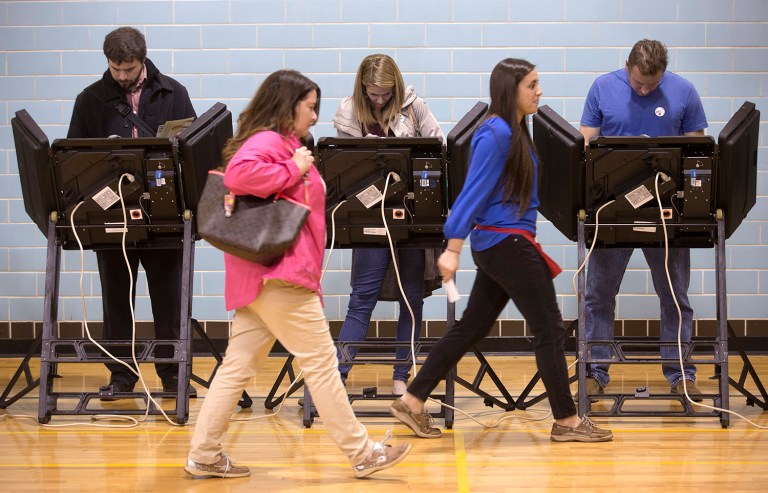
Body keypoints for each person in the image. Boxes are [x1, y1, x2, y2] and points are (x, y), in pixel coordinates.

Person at [185, 69, 411, 479]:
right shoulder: (272, 142)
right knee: (322, 365)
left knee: (236, 367)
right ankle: (363, 453)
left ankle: (204, 454)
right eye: (310, 107)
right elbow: (238, 175)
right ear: (288, 106)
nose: (314, 116)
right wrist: (293, 167)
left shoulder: (284, 143)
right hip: (280, 276)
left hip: (261, 278)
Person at [389, 58, 613, 443]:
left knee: (472, 327)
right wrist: (453, 247)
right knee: (550, 328)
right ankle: (567, 420)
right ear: (511, 90)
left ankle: (411, 399)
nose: (539, 90)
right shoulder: (494, 133)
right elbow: (472, 192)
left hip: (505, 244)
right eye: (532, 84)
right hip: (505, 244)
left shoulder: (516, 131)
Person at [67, 26, 197, 397]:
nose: (122, 77)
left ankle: (173, 375)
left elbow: (191, 150)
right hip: (111, 212)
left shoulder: (174, 92)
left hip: (164, 211)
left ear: (143, 60)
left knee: (168, 298)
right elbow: (75, 159)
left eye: (129, 69)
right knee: (116, 298)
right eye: (115, 69)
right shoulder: (90, 99)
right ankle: (121, 375)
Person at [579, 39, 708, 400]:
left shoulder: (684, 92)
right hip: (611, 210)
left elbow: (695, 152)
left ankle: (681, 373)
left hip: (666, 211)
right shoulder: (603, 88)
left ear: (664, 72)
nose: (645, 89)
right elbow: (584, 143)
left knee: (674, 295)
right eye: (638, 84)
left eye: (653, 84)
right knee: (598, 294)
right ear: (627, 66)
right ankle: (595, 371)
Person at [332, 54, 444, 395]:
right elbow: (342, 169)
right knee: (361, 298)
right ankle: (336, 380)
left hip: (409, 217)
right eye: (372, 94)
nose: (379, 100)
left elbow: (440, 149)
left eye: (385, 94)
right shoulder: (349, 112)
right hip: (368, 216)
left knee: (411, 299)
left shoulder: (415, 107)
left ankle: (401, 378)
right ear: (362, 89)